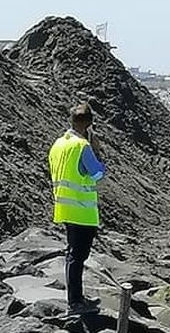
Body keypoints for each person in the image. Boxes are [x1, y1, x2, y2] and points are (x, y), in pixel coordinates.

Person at [48, 103, 106, 315]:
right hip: (82, 210)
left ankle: (77, 297)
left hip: (64, 207)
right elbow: (97, 174)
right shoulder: (82, 146)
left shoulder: (58, 144)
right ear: (89, 124)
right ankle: (75, 303)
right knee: (77, 257)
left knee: (72, 254)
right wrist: (96, 151)